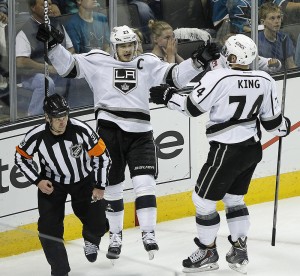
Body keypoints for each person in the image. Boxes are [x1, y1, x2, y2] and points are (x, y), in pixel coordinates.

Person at [36, 23, 220, 261]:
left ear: (136, 44)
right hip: (108, 132)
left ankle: (148, 233)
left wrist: (197, 62)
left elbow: (174, 77)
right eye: (121, 45)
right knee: (111, 187)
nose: (126, 49)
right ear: (113, 46)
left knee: (145, 184)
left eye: (130, 44)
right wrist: (53, 47)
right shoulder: (98, 60)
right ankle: (115, 235)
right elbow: (68, 67)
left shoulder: (146, 62)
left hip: (140, 133)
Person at [149, 34, 291, 274]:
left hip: (225, 149)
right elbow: (273, 124)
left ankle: (207, 251)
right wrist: (284, 127)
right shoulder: (264, 79)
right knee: (234, 200)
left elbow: (191, 107)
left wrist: (167, 97)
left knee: (202, 200)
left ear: (233, 56)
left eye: (227, 52)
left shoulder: (218, 77)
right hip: (251, 149)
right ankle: (239, 250)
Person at [15, 93, 111, 276]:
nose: (62, 121)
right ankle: (60, 272)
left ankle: (91, 237)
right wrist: (38, 180)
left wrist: (99, 185)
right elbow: (20, 157)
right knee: (48, 229)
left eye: (65, 116)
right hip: (53, 184)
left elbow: (102, 156)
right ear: (46, 117)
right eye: (57, 118)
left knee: (98, 224)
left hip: (84, 181)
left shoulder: (81, 130)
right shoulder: (37, 136)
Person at [16, 0, 75, 116]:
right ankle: (34, 117)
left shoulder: (57, 24)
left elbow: (71, 48)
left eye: (49, 4)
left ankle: (69, 112)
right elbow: (20, 61)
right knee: (46, 82)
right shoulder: (25, 30)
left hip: (57, 71)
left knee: (76, 75)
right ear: (33, 7)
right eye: (44, 5)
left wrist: (62, 62)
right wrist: (48, 68)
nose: (48, 7)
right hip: (32, 75)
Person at [258, 2, 297, 69]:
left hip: (282, 77)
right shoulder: (256, 40)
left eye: (278, 17)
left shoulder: (285, 38)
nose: (277, 21)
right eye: (272, 18)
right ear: (262, 22)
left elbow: (291, 65)